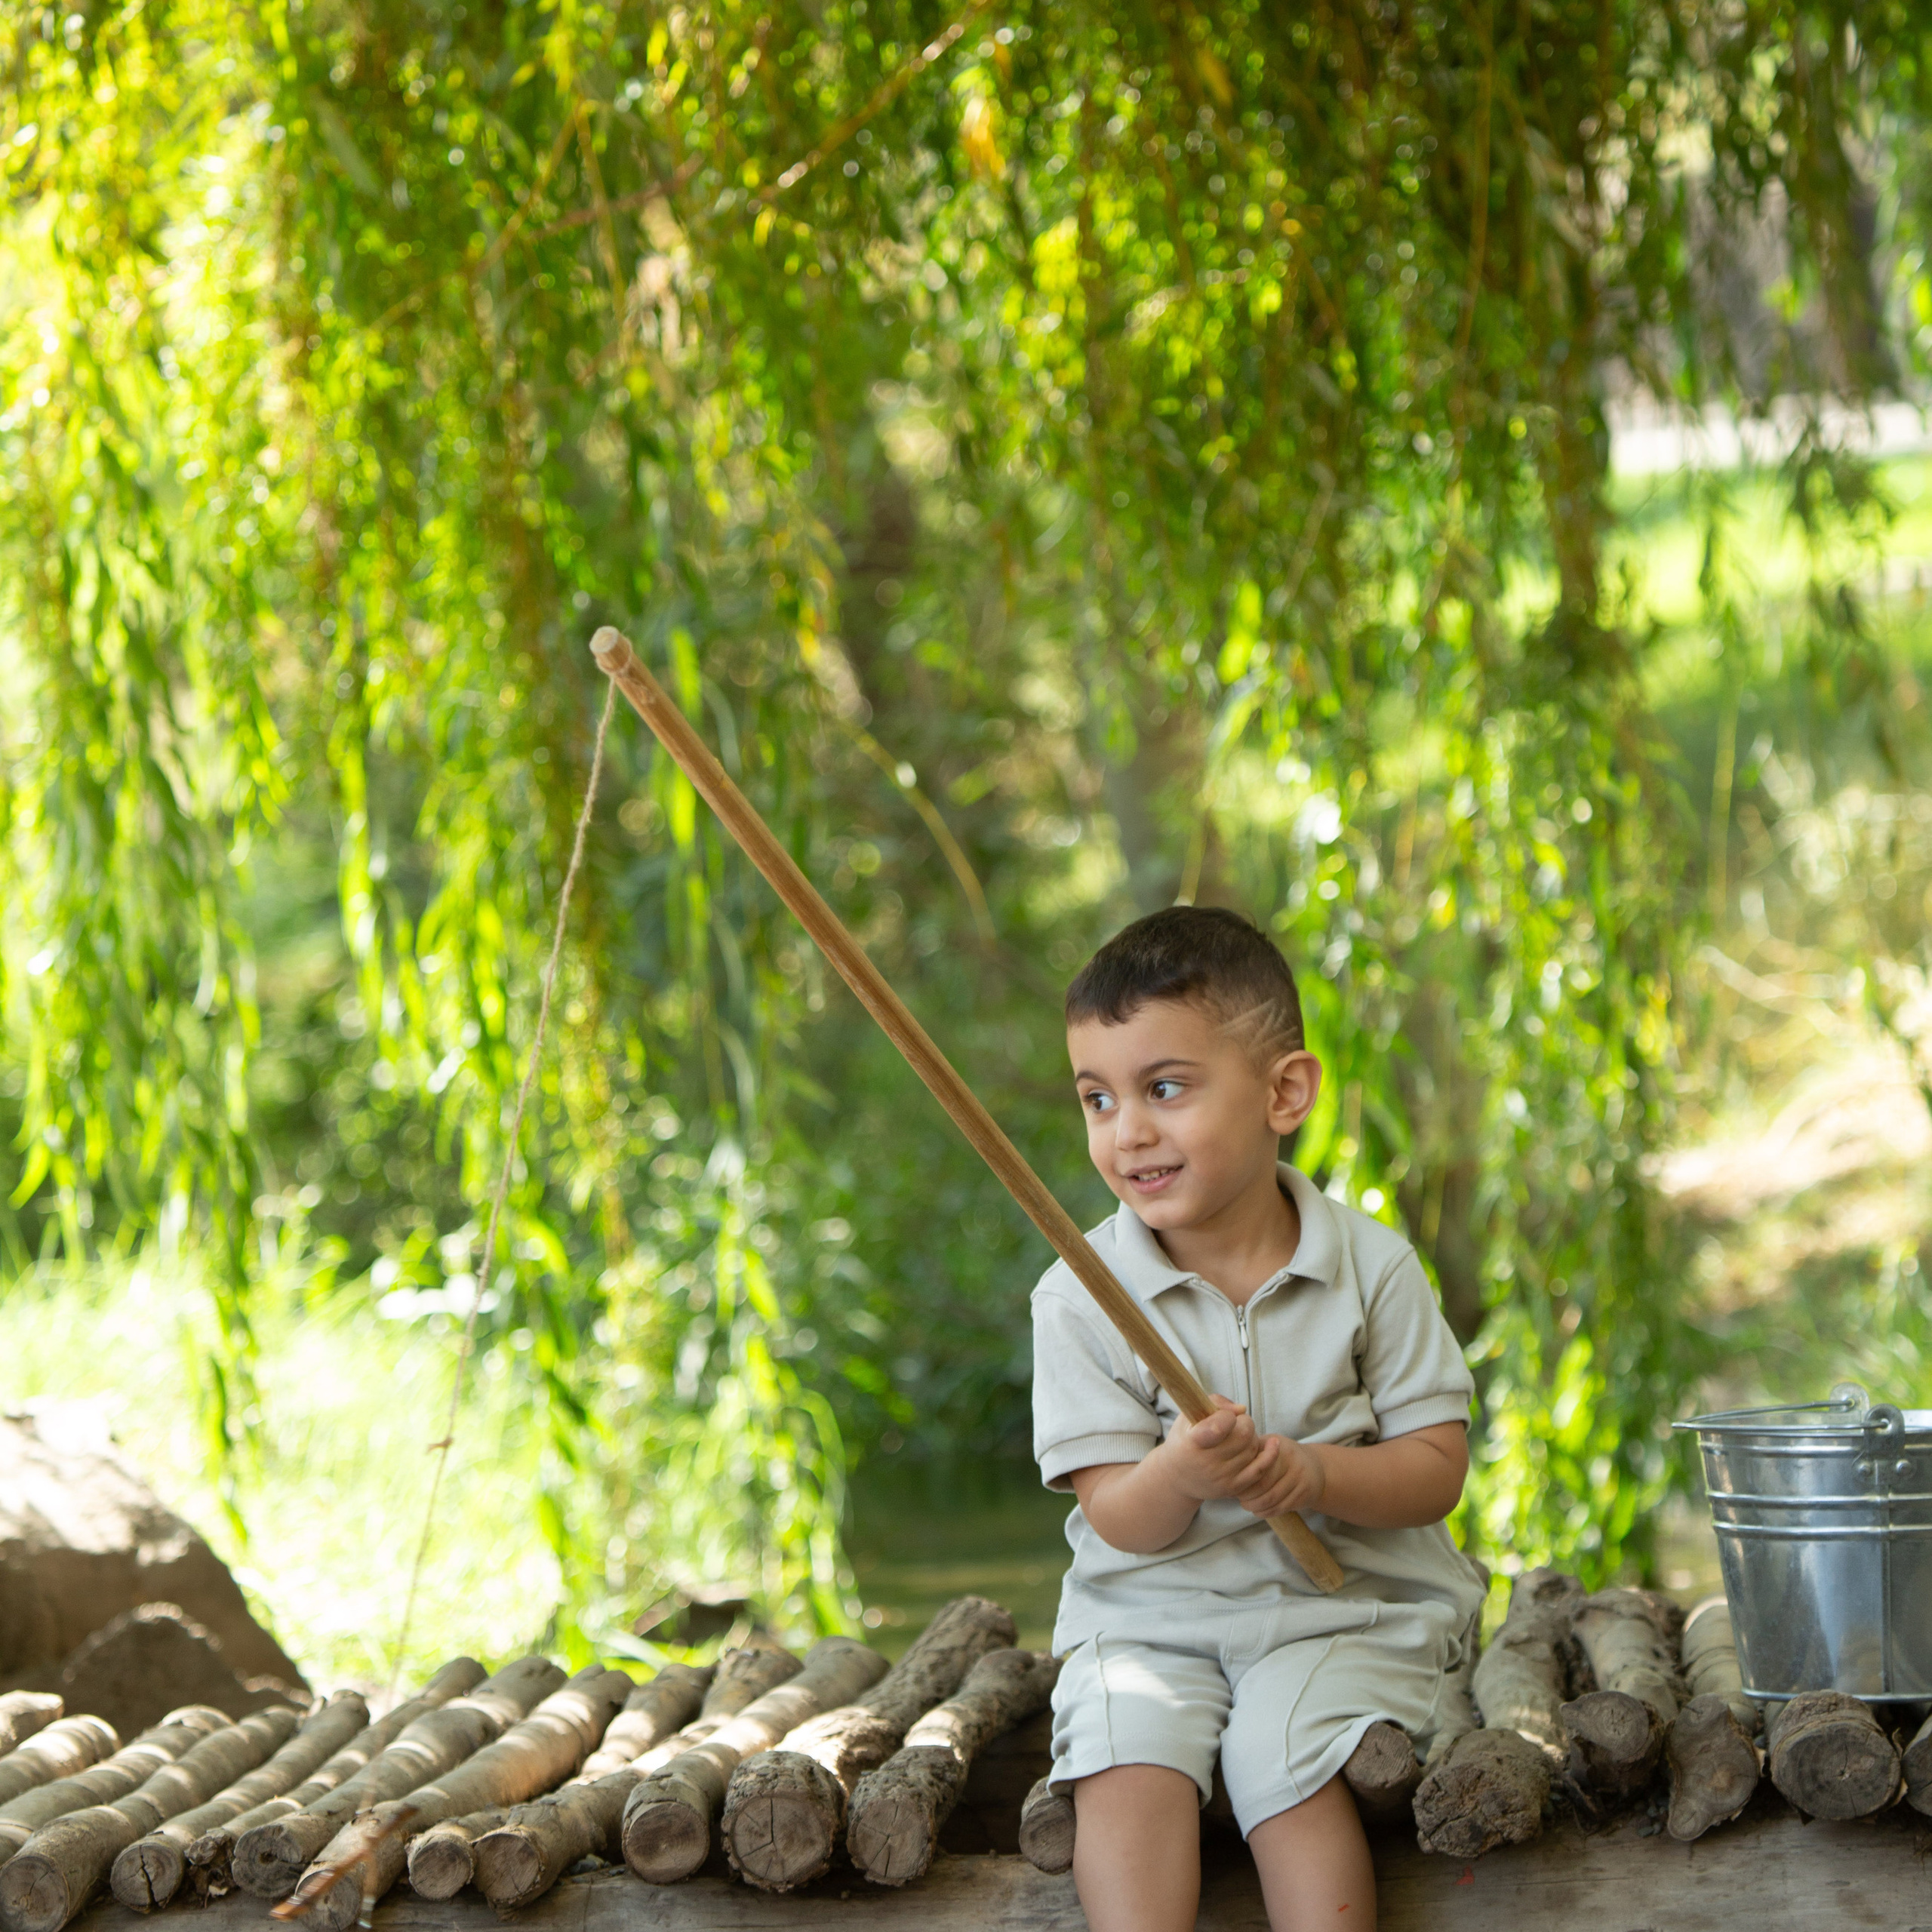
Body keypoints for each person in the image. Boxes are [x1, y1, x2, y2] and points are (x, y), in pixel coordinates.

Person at [1032, 905, 1486, 1932]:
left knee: (1283, 1753)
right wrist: (1180, 1476)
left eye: (1166, 1089)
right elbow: (1119, 1517)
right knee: (1125, 1755)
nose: (1128, 1132)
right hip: (1148, 1620)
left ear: (1284, 1092)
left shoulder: (1372, 1268)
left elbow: (1436, 1468)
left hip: (1346, 1611)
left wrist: (1312, 1477)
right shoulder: (1081, 1295)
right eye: (1097, 1099)